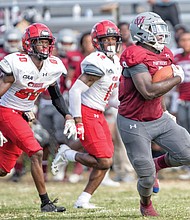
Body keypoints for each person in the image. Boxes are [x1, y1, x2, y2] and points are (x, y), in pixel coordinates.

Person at [117, 12, 190, 217]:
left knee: (187, 153)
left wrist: (165, 111)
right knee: (146, 177)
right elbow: (148, 91)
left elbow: (160, 90)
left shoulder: (166, 53)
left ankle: (157, 164)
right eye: (155, 30)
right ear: (142, 33)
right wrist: (177, 78)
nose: (160, 34)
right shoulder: (134, 54)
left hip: (158, 117)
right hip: (134, 122)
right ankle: (145, 204)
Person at [0, 23, 77, 212]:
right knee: (36, 152)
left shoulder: (53, 66)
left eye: (46, 43)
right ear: (28, 44)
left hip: (23, 115)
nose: (44, 47)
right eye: (39, 42)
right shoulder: (17, 63)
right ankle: (46, 203)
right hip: (6, 111)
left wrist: (68, 115)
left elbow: (56, 95)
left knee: (3, 169)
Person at [51, 20, 122, 208]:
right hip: (87, 110)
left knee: (106, 160)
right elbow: (75, 91)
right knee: (104, 160)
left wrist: (127, 106)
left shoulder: (115, 62)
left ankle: (83, 200)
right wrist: (77, 120)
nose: (109, 43)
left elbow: (111, 98)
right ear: (97, 41)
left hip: (99, 110)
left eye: (113, 39)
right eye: (105, 39)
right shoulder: (96, 61)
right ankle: (67, 154)